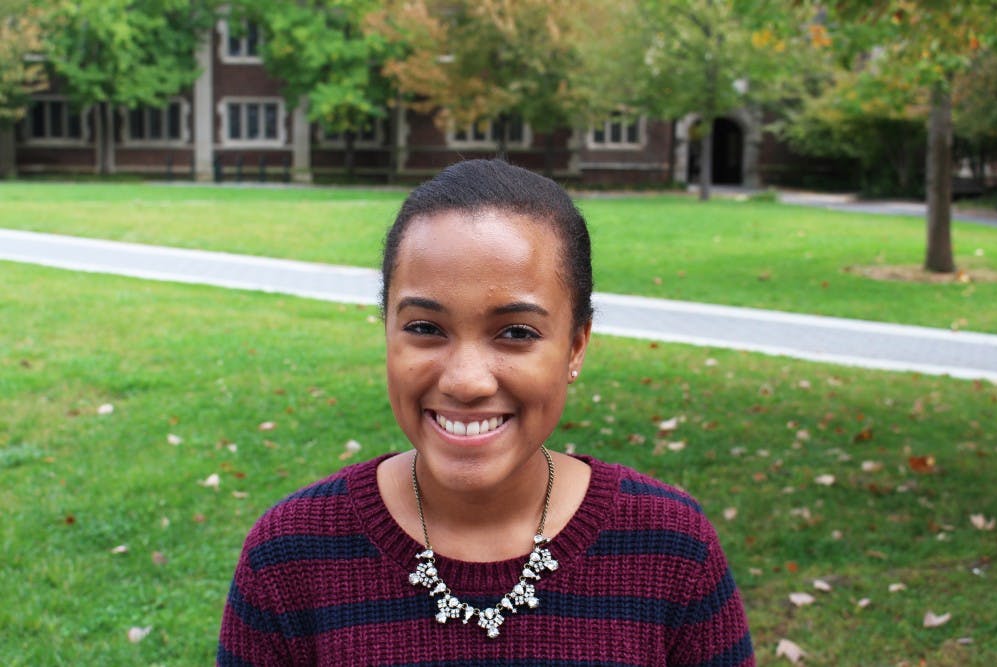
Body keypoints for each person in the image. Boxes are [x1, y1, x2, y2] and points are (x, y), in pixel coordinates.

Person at [217, 159, 754, 666]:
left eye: (517, 333)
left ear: (575, 347)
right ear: (386, 332)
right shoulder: (289, 558)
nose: (466, 381)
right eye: (425, 328)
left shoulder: (672, 551)